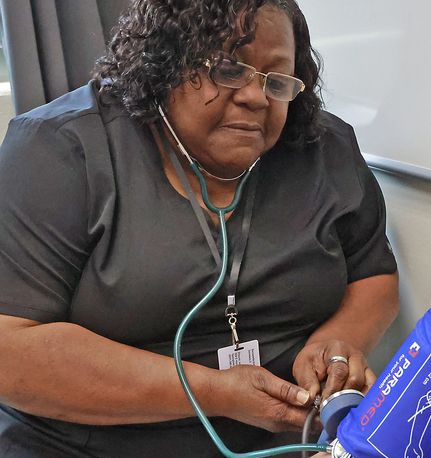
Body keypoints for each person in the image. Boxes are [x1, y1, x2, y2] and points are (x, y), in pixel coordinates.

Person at [0, 0, 398, 456]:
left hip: (285, 442)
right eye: (230, 70)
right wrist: (215, 392)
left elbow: (373, 275)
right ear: (164, 63)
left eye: (277, 80)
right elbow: (10, 352)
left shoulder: (323, 148)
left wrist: (338, 340)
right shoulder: (60, 150)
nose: (256, 96)